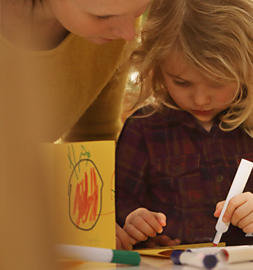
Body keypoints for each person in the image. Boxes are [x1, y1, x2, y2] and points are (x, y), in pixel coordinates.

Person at [115, 0, 253, 248]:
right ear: (158, 67)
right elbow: (118, 197)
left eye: (217, 83)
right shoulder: (145, 127)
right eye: (181, 82)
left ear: (251, 68)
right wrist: (132, 218)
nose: (200, 99)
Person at [0, 0, 151, 254]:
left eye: (138, 11)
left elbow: (94, 136)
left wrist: (96, 220)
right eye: (104, 16)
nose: (129, 34)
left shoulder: (114, 29)